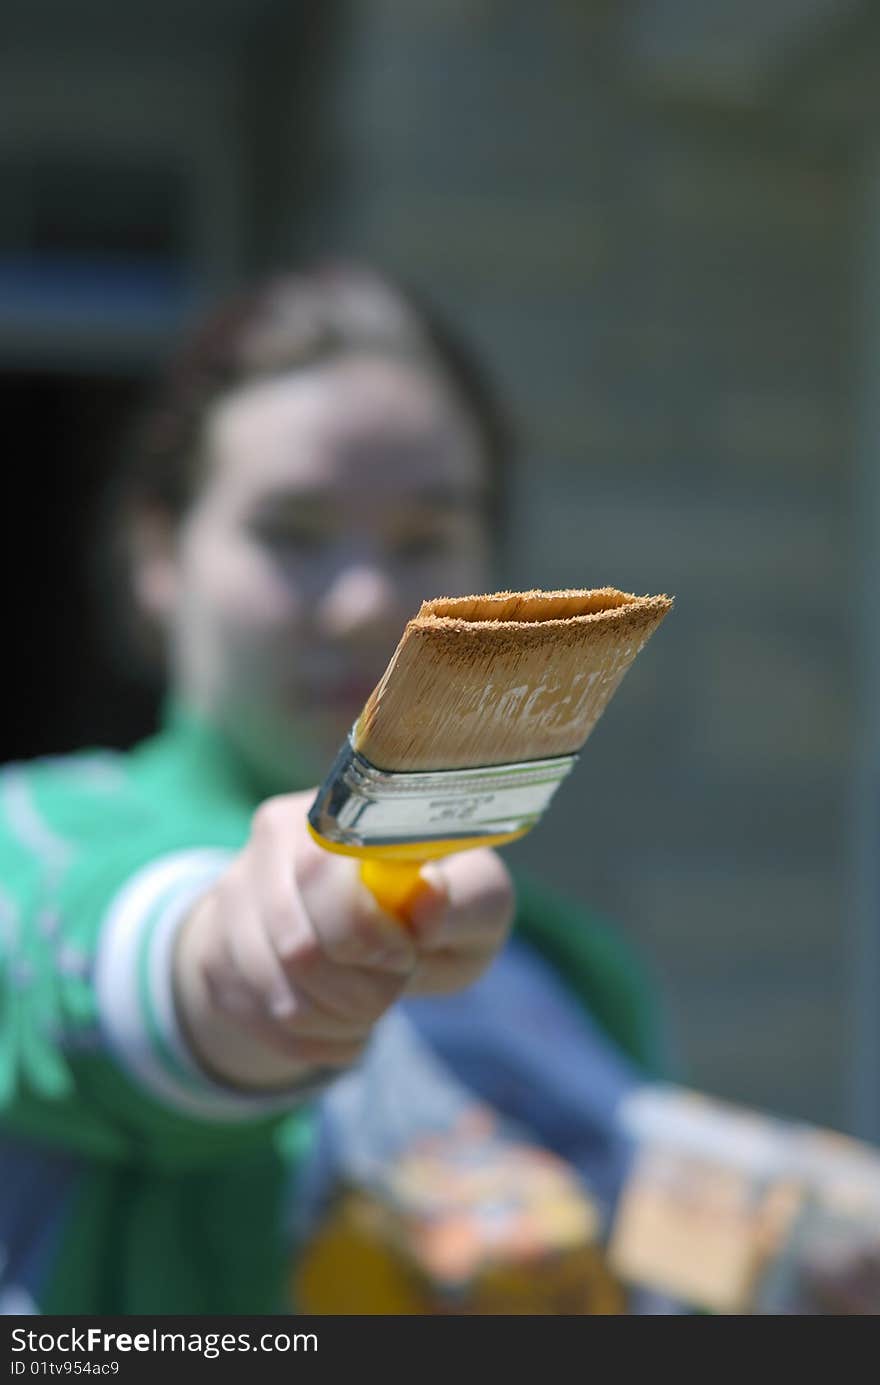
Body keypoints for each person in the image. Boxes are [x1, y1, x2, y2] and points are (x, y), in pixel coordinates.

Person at [0, 263, 664, 1314]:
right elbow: (121, 961)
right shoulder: (30, 843)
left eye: (423, 539)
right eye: (290, 532)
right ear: (159, 554)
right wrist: (245, 961)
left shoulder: (570, 971)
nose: (362, 600)